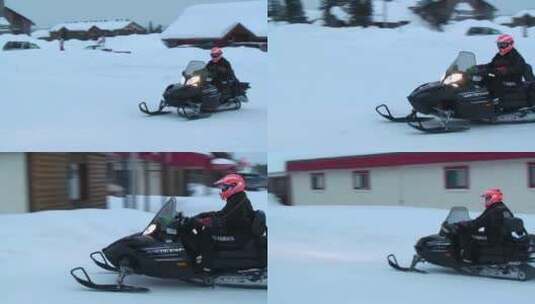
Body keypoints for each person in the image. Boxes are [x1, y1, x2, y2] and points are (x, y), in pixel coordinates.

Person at [192, 173, 255, 271]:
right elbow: (223, 214)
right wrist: (206, 215)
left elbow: (224, 219)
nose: (222, 190)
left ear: (234, 187)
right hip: (237, 231)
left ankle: (206, 265)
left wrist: (207, 221)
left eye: (225, 187)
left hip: (239, 236)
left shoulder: (238, 201)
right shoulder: (237, 198)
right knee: (207, 230)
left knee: (207, 234)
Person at [452, 188, 514, 263]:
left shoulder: (493, 211)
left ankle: (467, 258)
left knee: (466, 233)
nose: (486, 200)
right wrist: (469, 223)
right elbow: (482, 220)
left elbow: (479, 223)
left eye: (487, 198)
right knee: (472, 231)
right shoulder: (503, 208)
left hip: (493, 237)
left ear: (493, 198)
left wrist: (464, 224)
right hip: (502, 237)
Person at [485, 34, 527, 99]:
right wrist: (479, 67)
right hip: (501, 78)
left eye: (503, 45)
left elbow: (519, 68)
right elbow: (491, 64)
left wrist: (505, 70)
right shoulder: (499, 55)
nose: (501, 47)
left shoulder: (515, 55)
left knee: (494, 83)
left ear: (510, 44)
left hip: (513, 81)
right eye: (499, 45)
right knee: (485, 79)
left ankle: (494, 103)